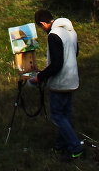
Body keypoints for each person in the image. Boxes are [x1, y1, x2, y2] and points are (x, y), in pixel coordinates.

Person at [28, 9, 84, 160]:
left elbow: (57, 64)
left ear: (43, 23)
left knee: (57, 116)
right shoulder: (70, 31)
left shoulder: (54, 35)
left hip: (61, 81)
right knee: (65, 114)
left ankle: (76, 147)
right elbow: (75, 52)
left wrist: (39, 77)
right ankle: (61, 145)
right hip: (72, 78)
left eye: (41, 28)